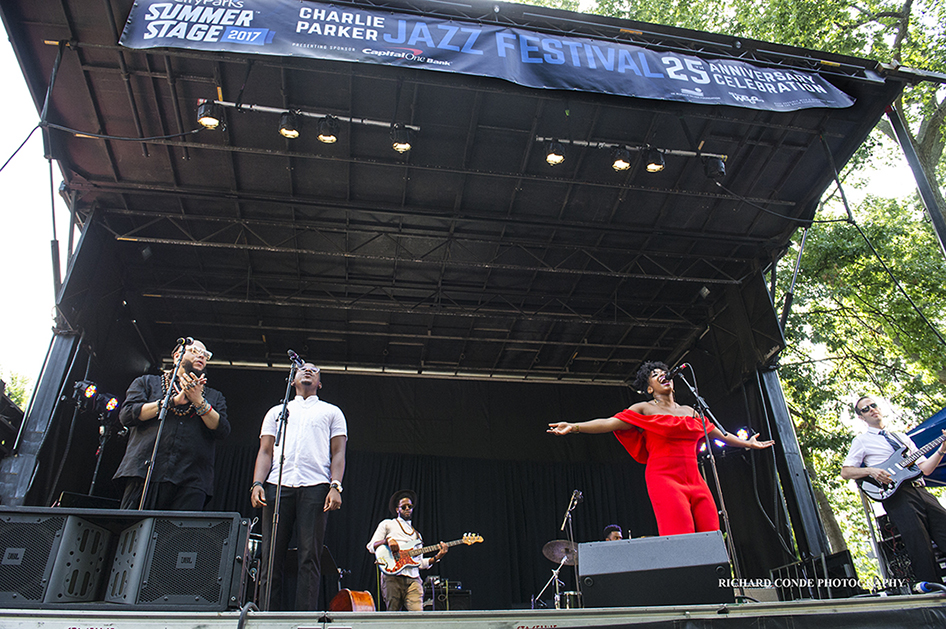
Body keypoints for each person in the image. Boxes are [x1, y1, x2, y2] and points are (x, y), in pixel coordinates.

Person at [548, 361, 774, 536]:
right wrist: (574, 427)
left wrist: (748, 443)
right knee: (681, 535)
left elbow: (721, 434)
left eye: (663, 373)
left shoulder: (691, 411)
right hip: (665, 479)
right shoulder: (644, 408)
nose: (662, 376)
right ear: (649, 387)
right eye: (654, 375)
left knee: (712, 534)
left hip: (695, 480)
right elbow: (609, 423)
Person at [250, 361, 347, 610]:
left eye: (314, 370)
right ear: (292, 380)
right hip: (277, 485)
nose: (308, 370)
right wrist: (257, 483)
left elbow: (338, 453)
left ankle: (303, 617)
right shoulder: (277, 412)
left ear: (320, 383)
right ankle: (267, 616)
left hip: (316, 486)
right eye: (302, 369)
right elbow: (265, 451)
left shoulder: (331, 412)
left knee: (309, 556)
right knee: (271, 556)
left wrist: (335, 486)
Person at [840, 395, 946, 584]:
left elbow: (926, 469)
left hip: (920, 489)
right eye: (865, 409)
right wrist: (871, 470)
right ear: (861, 417)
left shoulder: (901, 437)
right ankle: (932, 590)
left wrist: (941, 450)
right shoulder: (862, 441)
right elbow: (846, 472)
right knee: (918, 543)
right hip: (897, 495)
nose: (872, 409)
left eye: (873, 405)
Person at [114, 338, 229, 510]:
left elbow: (222, 430)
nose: (202, 357)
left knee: (177, 536)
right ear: (177, 356)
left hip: (191, 479)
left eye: (205, 355)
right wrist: (172, 402)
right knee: (134, 532)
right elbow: (127, 415)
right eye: (195, 351)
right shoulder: (147, 383)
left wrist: (199, 402)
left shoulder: (214, 396)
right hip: (144, 473)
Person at [367, 490, 448, 611]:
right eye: (403, 507)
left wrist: (437, 557)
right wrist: (387, 540)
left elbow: (420, 563)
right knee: (393, 616)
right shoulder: (388, 524)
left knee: (417, 617)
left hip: (413, 579)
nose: (407, 509)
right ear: (397, 510)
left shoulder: (417, 536)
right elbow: (371, 546)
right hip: (393, 577)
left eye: (410, 506)